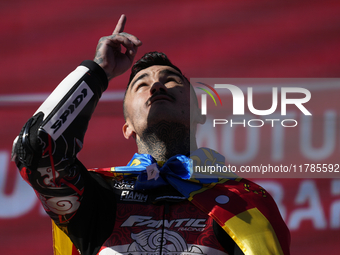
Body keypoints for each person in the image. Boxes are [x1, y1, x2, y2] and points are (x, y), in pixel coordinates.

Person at [12, 15, 290, 255]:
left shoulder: (246, 200)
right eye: (141, 85)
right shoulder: (97, 195)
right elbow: (36, 149)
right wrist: (97, 72)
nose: (157, 86)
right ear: (127, 126)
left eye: (171, 80)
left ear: (199, 112)